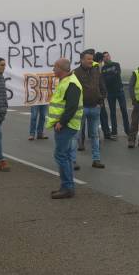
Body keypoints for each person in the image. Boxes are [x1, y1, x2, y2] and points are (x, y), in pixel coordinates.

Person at [47, 58, 83, 199]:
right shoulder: (66, 81)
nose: (53, 70)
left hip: (67, 125)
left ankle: (67, 187)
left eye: (54, 67)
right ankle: (67, 187)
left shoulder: (72, 83)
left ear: (61, 68)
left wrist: (61, 122)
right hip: (67, 124)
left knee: (61, 155)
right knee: (66, 156)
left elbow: (72, 106)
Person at [73, 51, 106, 169]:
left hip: (95, 107)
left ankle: (96, 160)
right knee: (76, 135)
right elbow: (72, 90)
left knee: (95, 135)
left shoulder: (96, 71)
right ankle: (73, 161)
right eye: (88, 59)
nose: (91, 61)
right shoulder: (75, 73)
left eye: (91, 59)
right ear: (82, 60)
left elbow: (102, 86)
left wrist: (101, 101)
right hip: (81, 108)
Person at [100, 51, 130, 140]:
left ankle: (128, 130)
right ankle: (114, 131)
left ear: (110, 56)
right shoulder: (103, 68)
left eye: (107, 56)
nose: (106, 58)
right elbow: (105, 79)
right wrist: (111, 75)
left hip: (119, 91)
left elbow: (117, 74)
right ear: (103, 59)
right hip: (110, 93)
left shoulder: (116, 64)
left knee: (124, 110)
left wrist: (109, 76)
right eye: (104, 57)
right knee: (112, 112)